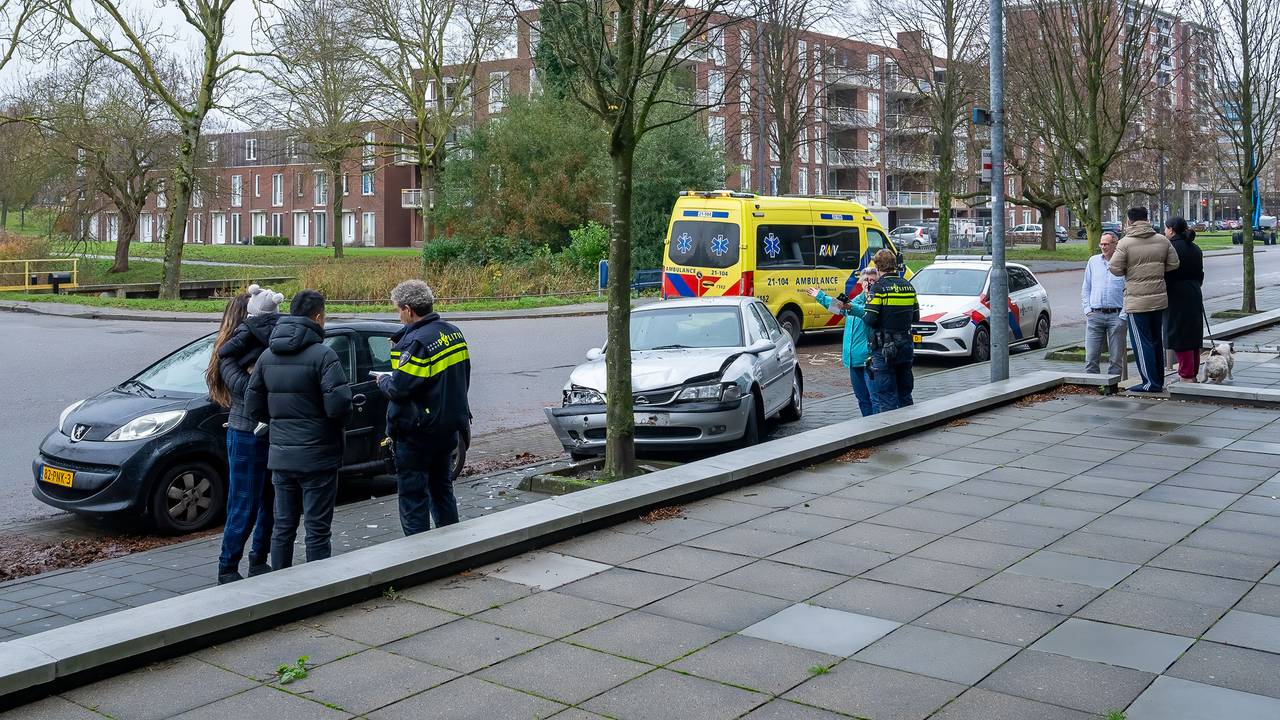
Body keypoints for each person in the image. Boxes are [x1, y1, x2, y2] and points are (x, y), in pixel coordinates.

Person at [245, 290, 352, 569]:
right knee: (317, 529)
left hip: (281, 456)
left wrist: (278, 423)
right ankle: (315, 589)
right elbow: (339, 406)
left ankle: (282, 589)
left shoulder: (267, 357)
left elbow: (252, 407)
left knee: (283, 527)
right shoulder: (324, 356)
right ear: (318, 317)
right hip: (319, 456)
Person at [377, 280, 471, 535]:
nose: (398, 316)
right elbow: (463, 378)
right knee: (442, 490)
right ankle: (451, 546)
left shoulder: (415, 343)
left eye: (398, 310)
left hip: (417, 433)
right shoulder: (453, 333)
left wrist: (383, 380)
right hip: (448, 427)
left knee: (413, 497)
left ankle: (419, 556)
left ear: (409, 309)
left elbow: (400, 389)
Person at [207, 286, 283, 584]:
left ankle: (257, 560)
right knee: (246, 500)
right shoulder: (231, 355)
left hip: (264, 431)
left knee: (269, 500)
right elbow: (246, 391)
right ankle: (229, 566)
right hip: (247, 431)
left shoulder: (245, 349)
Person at [1109, 207, 1179, 393]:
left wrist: (1130, 271)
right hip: (1158, 298)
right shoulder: (1162, 240)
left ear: (1129, 221)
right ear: (1146, 219)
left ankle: (1149, 382)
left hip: (1137, 300)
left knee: (1142, 342)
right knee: (1156, 340)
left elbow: (1114, 268)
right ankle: (1158, 379)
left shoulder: (1125, 243)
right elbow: (1174, 263)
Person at [806, 265, 880, 416]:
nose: (869, 283)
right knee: (862, 399)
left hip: (868, 360)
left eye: (873, 280)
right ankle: (867, 425)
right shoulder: (855, 300)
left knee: (875, 398)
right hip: (852, 360)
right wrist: (820, 296)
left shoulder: (873, 302)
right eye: (866, 280)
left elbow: (858, 310)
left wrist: (847, 305)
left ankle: (879, 428)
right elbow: (837, 308)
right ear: (861, 282)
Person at [862, 249, 919, 411]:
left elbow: (870, 319)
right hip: (906, 345)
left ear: (878, 267)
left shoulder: (879, 288)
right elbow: (916, 317)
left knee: (886, 395)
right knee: (905, 393)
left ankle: (892, 431)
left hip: (884, 349)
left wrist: (867, 308)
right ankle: (910, 428)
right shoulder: (909, 287)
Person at [1163, 217, 1205, 382]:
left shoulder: (1171, 248)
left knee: (1179, 335)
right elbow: (1200, 273)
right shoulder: (1195, 248)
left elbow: (1168, 273)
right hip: (1194, 292)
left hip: (1176, 294)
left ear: (1172, 229)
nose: (1165, 232)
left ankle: (1186, 374)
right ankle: (1192, 372)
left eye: (1166, 229)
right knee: (1193, 334)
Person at [1080, 231, 1127, 377]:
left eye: (1107, 244)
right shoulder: (1093, 261)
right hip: (1095, 315)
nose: (1103, 247)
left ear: (1115, 244)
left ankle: (1113, 388)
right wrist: (1087, 310)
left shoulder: (1123, 263)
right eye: (1101, 243)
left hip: (1116, 316)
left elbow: (1129, 290)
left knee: (1116, 359)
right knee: (1091, 357)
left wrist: (1123, 315)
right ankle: (1092, 388)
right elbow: (1086, 287)